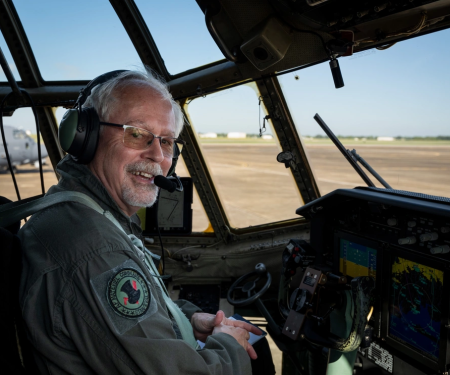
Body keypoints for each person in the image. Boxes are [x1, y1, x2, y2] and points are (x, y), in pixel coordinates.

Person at [18, 69, 261, 375]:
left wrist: (189, 321)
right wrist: (230, 345)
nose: (158, 156)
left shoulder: (92, 215)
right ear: (85, 135)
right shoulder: (95, 249)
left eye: (167, 141)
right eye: (136, 133)